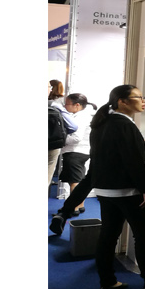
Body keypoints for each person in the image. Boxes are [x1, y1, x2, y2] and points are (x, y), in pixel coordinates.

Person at [89, 84, 145, 289]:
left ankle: (107, 281)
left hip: (105, 190)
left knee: (108, 235)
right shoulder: (125, 125)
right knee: (144, 236)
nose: (143, 101)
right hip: (128, 191)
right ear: (122, 101)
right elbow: (134, 162)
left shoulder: (101, 123)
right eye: (138, 97)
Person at [48, 93, 95, 236]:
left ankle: (73, 208)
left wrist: (60, 138)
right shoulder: (84, 114)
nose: (65, 107)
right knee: (77, 179)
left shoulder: (81, 117)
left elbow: (76, 137)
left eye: (67, 104)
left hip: (75, 151)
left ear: (77, 105)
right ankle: (79, 205)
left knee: (74, 181)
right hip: (81, 151)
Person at [48, 82, 76, 191]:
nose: (50, 89)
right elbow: (73, 126)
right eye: (49, 87)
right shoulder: (54, 105)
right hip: (51, 143)